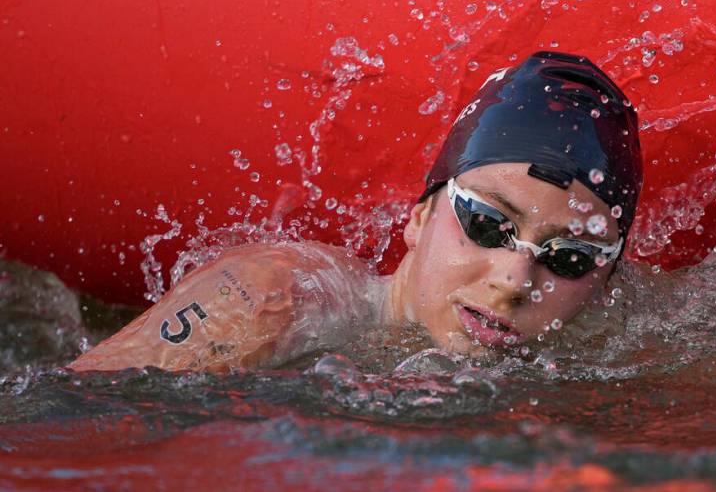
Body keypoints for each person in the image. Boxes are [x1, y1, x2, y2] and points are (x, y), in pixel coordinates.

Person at [69, 52, 643, 372]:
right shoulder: (276, 300)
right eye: (488, 225)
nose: (516, 281)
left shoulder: (614, 361)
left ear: (607, 282)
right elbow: (79, 426)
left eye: (567, 257)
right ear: (419, 217)